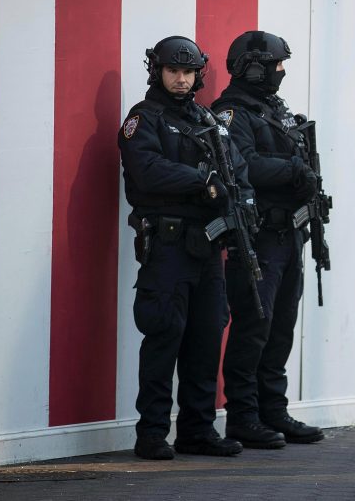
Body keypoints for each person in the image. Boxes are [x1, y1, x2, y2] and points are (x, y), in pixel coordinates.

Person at [119, 35, 254, 460]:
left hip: (208, 246)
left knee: (206, 335)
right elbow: (146, 170)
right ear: (157, 71)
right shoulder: (145, 118)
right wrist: (202, 182)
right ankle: (152, 433)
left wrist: (244, 204)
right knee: (165, 334)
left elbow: (237, 169)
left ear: (199, 74)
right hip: (168, 245)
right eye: (173, 71)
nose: (180, 79)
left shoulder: (206, 119)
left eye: (188, 72)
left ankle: (197, 430)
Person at [213, 30, 324, 448]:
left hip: (287, 234)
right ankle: (243, 416)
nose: (282, 72)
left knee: (281, 327)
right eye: (277, 64)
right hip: (257, 237)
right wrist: (293, 171)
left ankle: (272, 411)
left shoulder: (272, 110)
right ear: (254, 67)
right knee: (253, 327)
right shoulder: (231, 114)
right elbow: (242, 165)